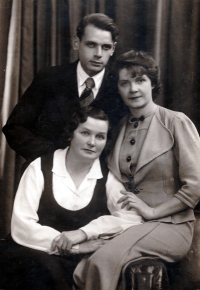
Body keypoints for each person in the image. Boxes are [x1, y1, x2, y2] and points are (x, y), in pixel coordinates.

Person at [64, 50, 200, 290]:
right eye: (125, 83)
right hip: (130, 223)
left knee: (102, 260)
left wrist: (151, 211)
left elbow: (195, 187)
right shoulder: (119, 128)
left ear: (153, 83)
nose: (133, 89)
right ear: (118, 88)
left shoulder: (175, 122)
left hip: (172, 226)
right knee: (84, 264)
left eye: (140, 80)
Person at [1, 106, 142, 290]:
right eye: (85, 133)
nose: (92, 142)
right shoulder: (40, 167)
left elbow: (131, 217)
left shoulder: (108, 177)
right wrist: (74, 247)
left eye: (100, 136)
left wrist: (84, 233)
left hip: (74, 261)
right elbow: (22, 225)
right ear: (71, 135)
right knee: (47, 269)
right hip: (31, 251)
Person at [2, 13, 127, 162]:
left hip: (98, 176)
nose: (98, 54)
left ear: (113, 49)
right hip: (48, 171)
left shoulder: (120, 85)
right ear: (76, 43)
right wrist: (53, 158)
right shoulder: (50, 77)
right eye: (91, 44)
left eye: (106, 47)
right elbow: (15, 127)